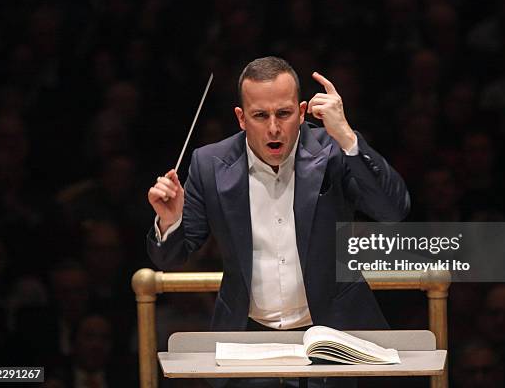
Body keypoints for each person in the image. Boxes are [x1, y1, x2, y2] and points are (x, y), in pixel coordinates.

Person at [146, 57, 409, 386]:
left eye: (283, 114)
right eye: (260, 115)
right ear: (241, 118)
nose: (273, 128)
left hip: (332, 341)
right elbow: (171, 258)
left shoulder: (333, 151)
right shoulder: (208, 165)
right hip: (248, 343)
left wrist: (347, 137)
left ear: (301, 112)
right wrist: (170, 222)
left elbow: (393, 211)